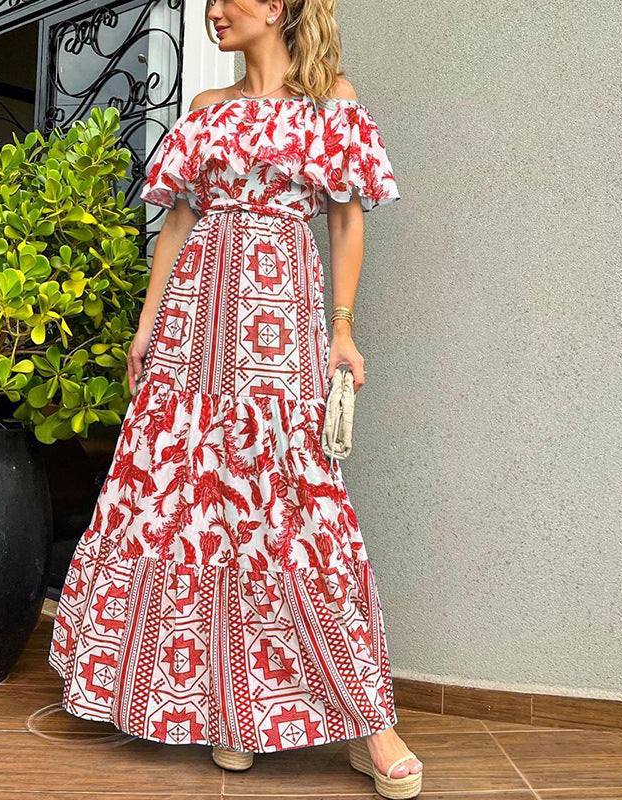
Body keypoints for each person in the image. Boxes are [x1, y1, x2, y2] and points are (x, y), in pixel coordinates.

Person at [48, 0, 422, 797]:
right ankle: (231, 714)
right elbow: (179, 220)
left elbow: (346, 223)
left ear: (276, 7)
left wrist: (343, 331)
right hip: (192, 324)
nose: (213, 11)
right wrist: (147, 327)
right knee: (188, 501)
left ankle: (370, 725)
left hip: (278, 320)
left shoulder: (330, 101)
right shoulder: (207, 106)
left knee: (292, 504)